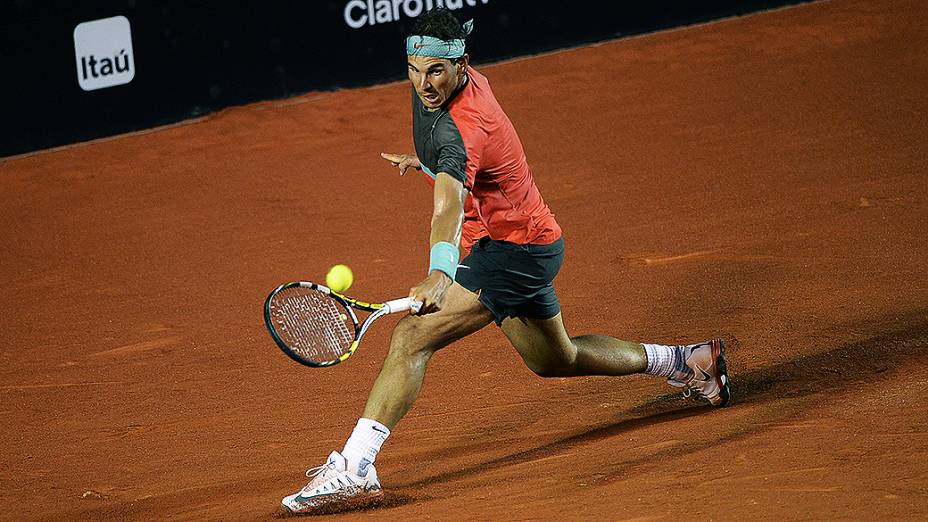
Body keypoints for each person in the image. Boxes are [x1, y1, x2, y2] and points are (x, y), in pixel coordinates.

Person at [280, 9, 730, 515]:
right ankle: (689, 361)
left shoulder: (460, 130)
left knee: (410, 338)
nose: (423, 83)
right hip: (528, 244)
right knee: (556, 359)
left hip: (511, 251)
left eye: (435, 72)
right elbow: (457, 160)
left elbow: (448, 205)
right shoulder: (445, 89)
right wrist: (425, 161)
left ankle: (355, 468)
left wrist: (439, 271)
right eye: (414, 68)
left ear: (461, 65)